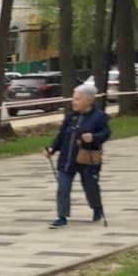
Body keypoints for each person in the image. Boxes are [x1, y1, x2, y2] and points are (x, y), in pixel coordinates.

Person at [45, 84, 111, 228]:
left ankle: (97, 207)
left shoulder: (99, 116)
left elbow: (106, 133)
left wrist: (93, 137)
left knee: (90, 187)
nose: (73, 102)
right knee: (63, 188)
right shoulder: (71, 116)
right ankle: (62, 216)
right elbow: (61, 135)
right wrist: (51, 148)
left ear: (89, 100)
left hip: (87, 160)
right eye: (73, 98)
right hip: (67, 159)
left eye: (77, 99)